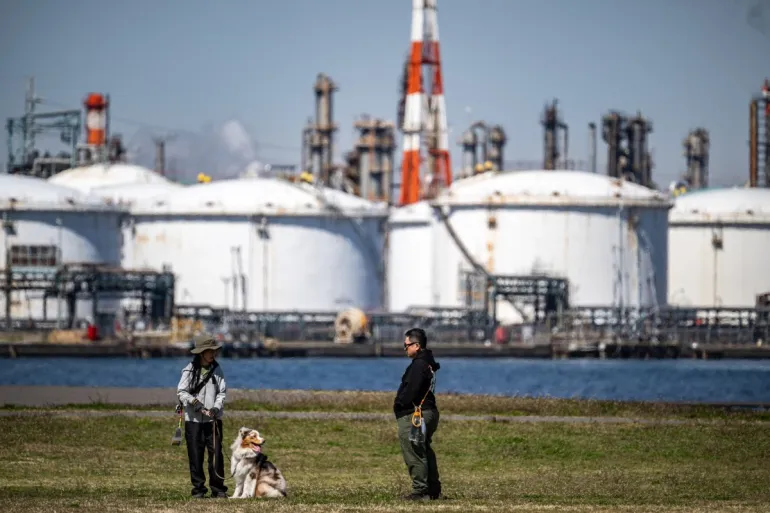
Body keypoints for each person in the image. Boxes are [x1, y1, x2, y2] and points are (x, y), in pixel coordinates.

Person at [393, 327, 442, 501]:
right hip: (428, 412)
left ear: (417, 345)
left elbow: (411, 390)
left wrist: (400, 404)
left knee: (414, 451)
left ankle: (420, 491)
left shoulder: (419, 365)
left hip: (416, 416)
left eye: (407, 345)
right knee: (424, 450)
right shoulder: (427, 363)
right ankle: (433, 490)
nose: (404, 348)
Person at [177, 334, 228, 499]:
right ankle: (198, 489)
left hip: (213, 420)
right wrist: (195, 404)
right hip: (193, 421)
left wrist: (216, 407)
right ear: (201, 353)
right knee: (195, 455)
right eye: (209, 351)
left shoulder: (217, 369)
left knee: (217, 454)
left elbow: (221, 393)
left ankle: (218, 489)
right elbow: (181, 392)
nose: (213, 354)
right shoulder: (189, 370)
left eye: (215, 351)